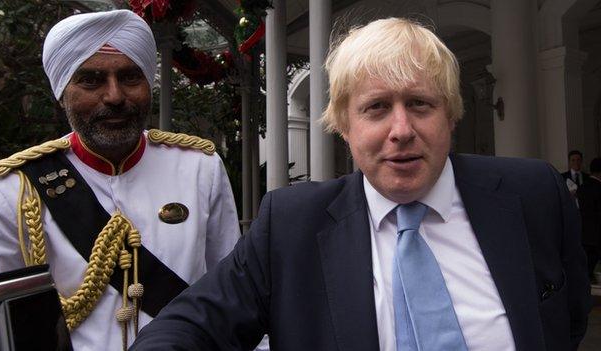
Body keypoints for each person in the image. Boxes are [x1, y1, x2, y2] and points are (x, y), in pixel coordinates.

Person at [130, 17, 591, 351]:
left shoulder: (533, 194)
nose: (401, 129)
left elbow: (567, 323)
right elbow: (193, 324)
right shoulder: (291, 225)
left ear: (451, 114)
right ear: (343, 126)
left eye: (420, 104)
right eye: (376, 108)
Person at [0, 10, 240, 351]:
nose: (114, 96)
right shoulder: (12, 188)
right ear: (61, 92)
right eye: (91, 80)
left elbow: (233, 295)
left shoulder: (200, 169)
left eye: (130, 77)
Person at [577, 157, 601, 284]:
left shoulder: (582, 187)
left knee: (587, 268)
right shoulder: (599, 188)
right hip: (598, 233)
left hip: (585, 232)